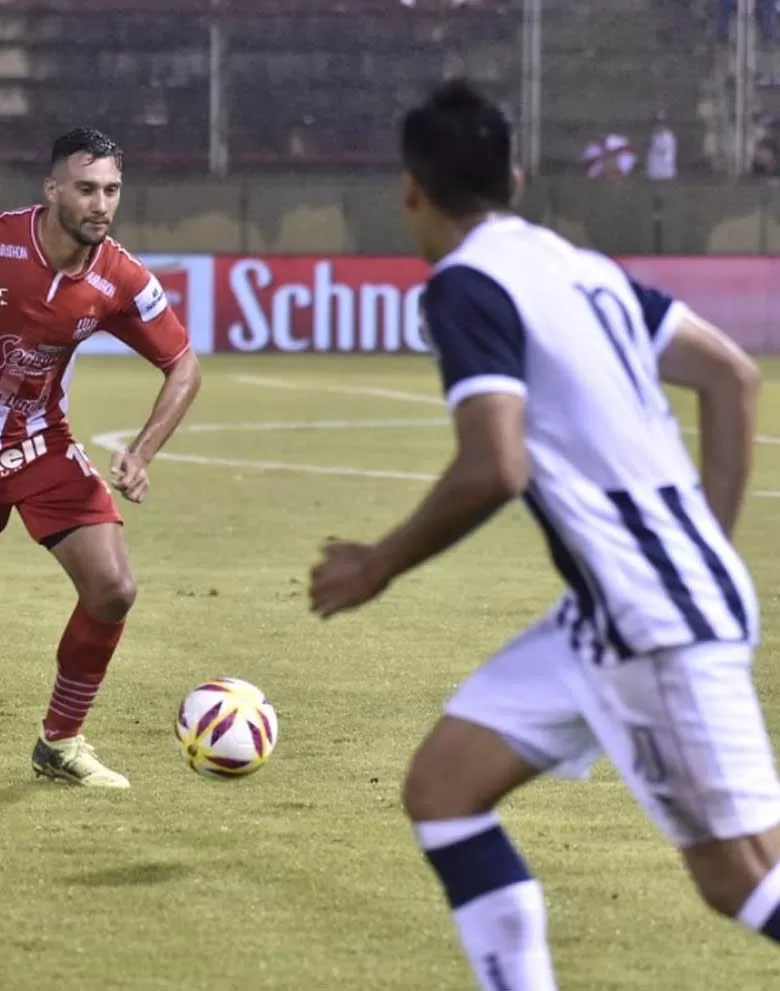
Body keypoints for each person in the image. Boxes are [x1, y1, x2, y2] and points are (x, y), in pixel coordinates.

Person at [309, 79, 779, 989]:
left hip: (649, 622)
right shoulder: (581, 267)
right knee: (444, 791)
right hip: (610, 617)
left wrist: (380, 563)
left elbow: (496, 466)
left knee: (742, 878)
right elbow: (732, 379)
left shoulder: (465, 286)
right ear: (515, 177)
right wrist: (701, 549)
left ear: (412, 190)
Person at [0, 128, 202, 789]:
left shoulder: (119, 277)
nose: (101, 204)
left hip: (37, 441)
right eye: (85, 188)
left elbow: (183, 364)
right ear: (52, 191)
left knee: (114, 589)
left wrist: (142, 450)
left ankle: (61, 740)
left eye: (111, 190)